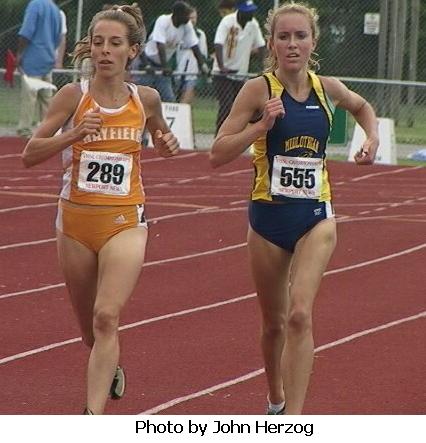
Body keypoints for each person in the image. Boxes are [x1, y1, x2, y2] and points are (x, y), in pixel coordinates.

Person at [210, 2, 379, 415]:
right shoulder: (258, 90)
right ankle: (276, 399)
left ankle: (295, 424)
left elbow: (362, 107)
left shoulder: (328, 88)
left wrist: (370, 139)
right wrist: (258, 127)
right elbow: (217, 153)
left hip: (315, 217)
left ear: (312, 42)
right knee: (274, 325)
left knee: (301, 314)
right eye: (283, 36)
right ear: (271, 43)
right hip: (267, 221)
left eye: (300, 36)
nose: (292, 44)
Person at [22, 3, 180, 415]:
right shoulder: (72, 96)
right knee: (90, 331)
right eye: (98, 42)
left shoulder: (145, 99)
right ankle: (107, 363)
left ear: (132, 50)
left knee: (106, 316)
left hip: (125, 220)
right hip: (74, 223)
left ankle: (91, 419)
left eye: (114, 44)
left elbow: (164, 140)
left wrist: (167, 145)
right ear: (88, 48)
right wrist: (74, 133)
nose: (104, 51)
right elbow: (30, 153)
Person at [134, 1, 208, 102]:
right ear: (178, 14)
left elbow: (194, 46)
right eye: (186, 14)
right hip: (147, 63)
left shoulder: (186, 25)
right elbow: (160, 45)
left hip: (162, 66)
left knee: (169, 99)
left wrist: (202, 65)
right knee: (142, 98)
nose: (188, 17)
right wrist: (164, 66)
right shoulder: (163, 20)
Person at [212, 0, 266, 134]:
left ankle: (234, 136)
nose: (251, 14)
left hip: (240, 73)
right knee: (226, 106)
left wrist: (263, 66)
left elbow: (261, 46)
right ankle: (220, 136)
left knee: (241, 109)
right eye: (248, 12)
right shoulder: (227, 21)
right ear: (240, 11)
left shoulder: (253, 24)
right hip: (222, 73)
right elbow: (218, 44)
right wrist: (221, 66)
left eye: (252, 11)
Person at [16, 0, 62, 138]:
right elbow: (58, 37)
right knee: (47, 99)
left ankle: (25, 130)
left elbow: (27, 31)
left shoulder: (35, 5)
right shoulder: (55, 9)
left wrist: (19, 54)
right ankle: (48, 130)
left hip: (32, 58)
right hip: (48, 58)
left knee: (29, 97)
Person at [175, 7, 208, 104]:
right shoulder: (179, 31)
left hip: (192, 73)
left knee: (186, 102)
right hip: (178, 71)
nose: (192, 20)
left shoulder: (200, 34)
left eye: (194, 18)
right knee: (175, 100)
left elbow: (203, 54)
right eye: (190, 18)